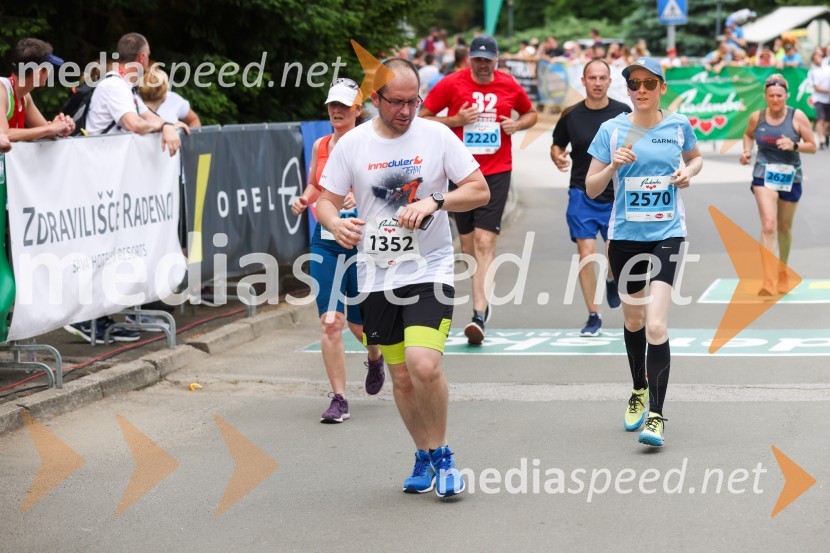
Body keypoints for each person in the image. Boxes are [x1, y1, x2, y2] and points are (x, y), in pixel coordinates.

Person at [316, 59, 489, 497]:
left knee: (423, 363)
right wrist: (336, 224)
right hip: (376, 275)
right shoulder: (352, 145)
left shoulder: (437, 135)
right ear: (375, 99)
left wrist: (435, 201)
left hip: (429, 268)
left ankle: (445, 454)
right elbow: (325, 202)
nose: (407, 111)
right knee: (402, 377)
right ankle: (424, 453)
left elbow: (479, 189)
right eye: (397, 102)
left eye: (415, 101)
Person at [585, 57, 703, 447]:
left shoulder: (679, 124)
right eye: (634, 84)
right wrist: (611, 167)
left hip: (668, 232)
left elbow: (695, 157)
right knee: (634, 321)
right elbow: (590, 187)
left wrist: (689, 173)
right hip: (625, 237)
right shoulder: (612, 130)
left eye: (649, 84)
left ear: (662, 87)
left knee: (655, 324)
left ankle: (656, 415)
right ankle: (638, 388)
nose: (641, 91)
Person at [420, 34, 537, 345]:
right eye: (478, 59)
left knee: (485, 242)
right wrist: (455, 119)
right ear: (469, 59)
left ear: (496, 59)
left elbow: (530, 113)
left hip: (497, 172)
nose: (483, 65)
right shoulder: (450, 83)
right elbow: (423, 117)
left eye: (488, 59)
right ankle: (483, 296)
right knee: (469, 246)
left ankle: (478, 314)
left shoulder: (509, 84)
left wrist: (518, 125)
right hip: (461, 174)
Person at [290, 78, 386, 423]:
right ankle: (339, 399)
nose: (336, 111)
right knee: (331, 322)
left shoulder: (374, 145)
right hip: (327, 242)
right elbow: (317, 184)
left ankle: (375, 358)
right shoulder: (321, 145)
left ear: (359, 111)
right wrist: (305, 199)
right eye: (332, 105)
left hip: (364, 243)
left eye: (344, 106)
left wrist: (361, 196)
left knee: (362, 326)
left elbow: (394, 188)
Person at [551, 59, 630, 337]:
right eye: (592, 78)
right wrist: (557, 155)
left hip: (615, 195)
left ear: (610, 81)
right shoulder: (571, 115)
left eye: (602, 78)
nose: (597, 83)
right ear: (583, 81)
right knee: (586, 252)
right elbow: (558, 143)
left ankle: (611, 278)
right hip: (581, 193)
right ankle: (593, 315)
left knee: (615, 252)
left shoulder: (623, 113)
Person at [739, 74, 816, 295]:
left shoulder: (797, 116)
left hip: (791, 176)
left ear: (786, 96)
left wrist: (794, 144)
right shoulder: (757, 117)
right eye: (771, 95)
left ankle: (782, 270)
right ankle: (768, 279)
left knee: (784, 227)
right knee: (769, 224)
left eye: (779, 96)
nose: (775, 100)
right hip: (764, 175)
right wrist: (746, 151)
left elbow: (812, 146)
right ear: (765, 96)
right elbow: (747, 134)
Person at [1, 38, 75, 141]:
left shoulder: (25, 96)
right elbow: (4, 134)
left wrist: (61, 127)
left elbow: (46, 132)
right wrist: (50, 128)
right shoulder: (2, 90)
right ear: (39, 72)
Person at [808, 52, 830, 150]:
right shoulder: (812, 72)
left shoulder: (827, 68)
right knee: (820, 119)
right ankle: (821, 140)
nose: (818, 59)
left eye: (819, 57)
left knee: (827, 121)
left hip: (828, 99)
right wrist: (827, 91)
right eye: (815, 58)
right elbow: (816, 87)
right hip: (818, 98)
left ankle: (825, 136)